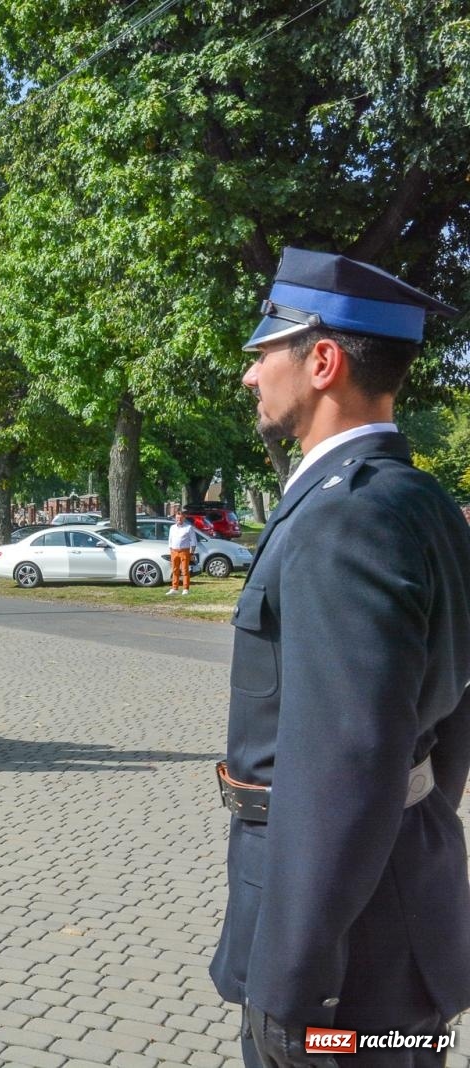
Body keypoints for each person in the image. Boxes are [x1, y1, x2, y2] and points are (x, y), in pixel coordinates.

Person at [212, 248, 470, 1068]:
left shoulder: (343, 518)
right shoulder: (420, 498)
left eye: (263, 353)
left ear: (321, 360)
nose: (250, 376)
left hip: (338, 957)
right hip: (396, 900)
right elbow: (450, 720)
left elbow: (352, 761)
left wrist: (295, 983)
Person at [167, 511, 198, 596]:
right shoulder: (172, 527)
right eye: (177, 518)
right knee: (175, 570)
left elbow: (193, 541)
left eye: (180, 518)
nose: (179, 519)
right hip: (174, 551)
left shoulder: (188, 528)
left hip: (184, 551)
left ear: (184, 518)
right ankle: (174, 588)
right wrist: (171, 552)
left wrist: (191, 553)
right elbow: (170, 540)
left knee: (185, 570)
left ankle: (185, 589)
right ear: (175, 518)